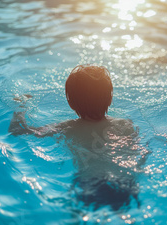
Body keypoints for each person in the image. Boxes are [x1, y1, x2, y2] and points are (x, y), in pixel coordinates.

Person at [9, 64, 145, 211]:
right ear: (110, 98)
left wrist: (21, 107)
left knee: (84, 224)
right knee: (124, 215)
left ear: (71, 103)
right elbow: (136, 150)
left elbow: (18, 130)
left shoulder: (67, 127)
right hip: (124, 180)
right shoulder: (124, 124)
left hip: (91, 182)